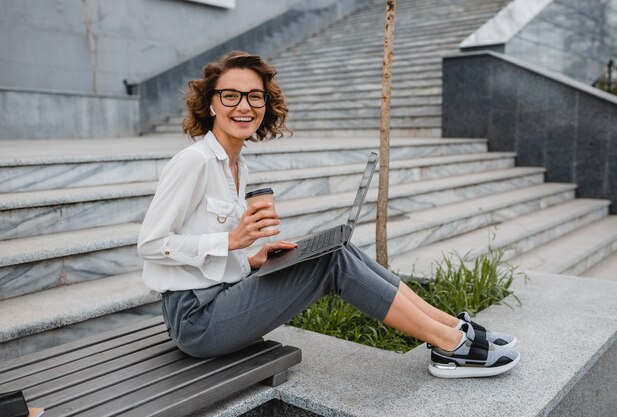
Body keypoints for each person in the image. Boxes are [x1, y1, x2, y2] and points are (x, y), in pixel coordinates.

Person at [137, 51, 520, 378]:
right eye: (231, 96)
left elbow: (208, 245)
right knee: (331, 263)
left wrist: (251, 259)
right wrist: (231, 241)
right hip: (197, 320)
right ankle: (451, 346)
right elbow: (151, 244)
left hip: (221, 296)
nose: (244, 106)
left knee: (336, 247)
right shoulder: (194, 162)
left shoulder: (236, 165)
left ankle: (452, 326)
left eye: (255, 97)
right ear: (210, 104)